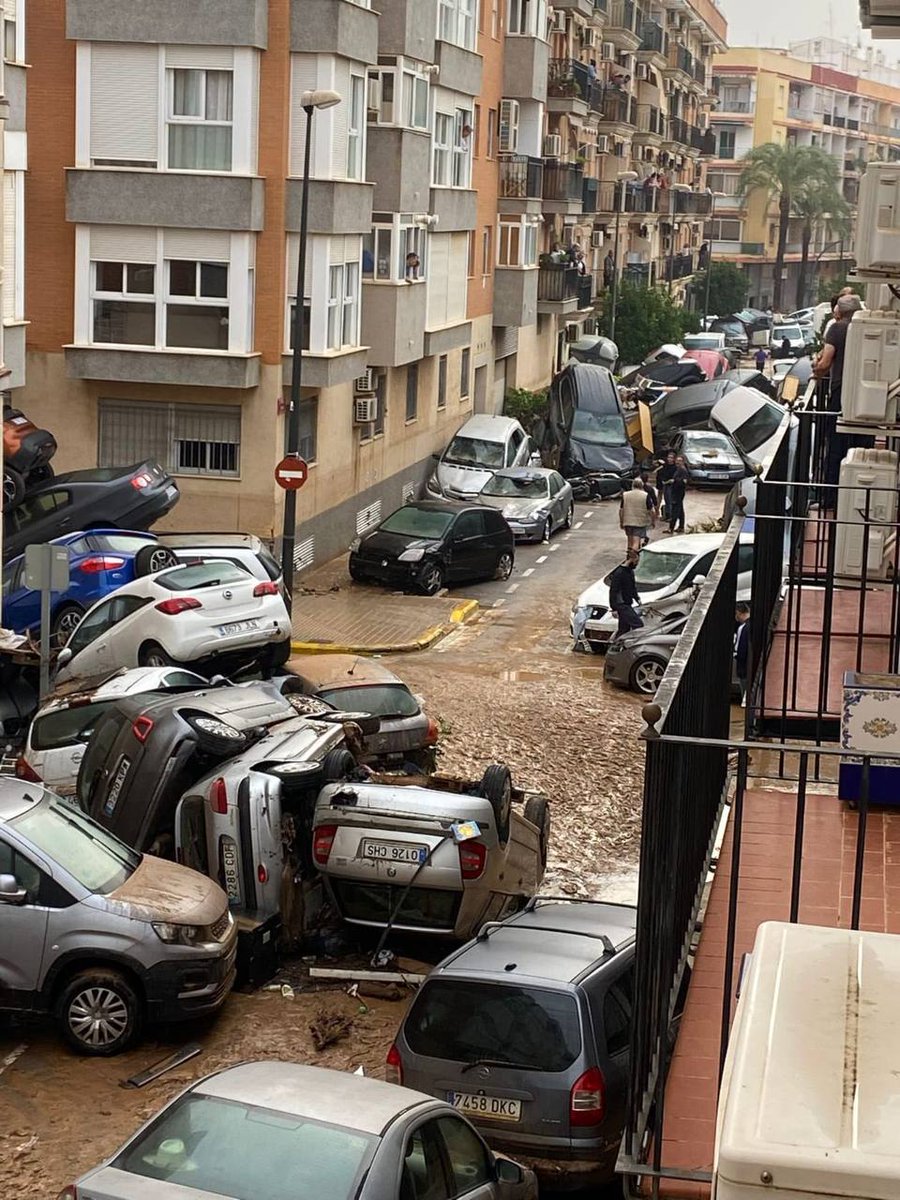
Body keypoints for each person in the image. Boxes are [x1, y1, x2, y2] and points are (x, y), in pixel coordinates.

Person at [814, 293, 867, 499]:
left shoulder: (837, 329)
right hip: (865, 397)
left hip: (840, 392)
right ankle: (857, 496)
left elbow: (826, 363)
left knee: (835, 445)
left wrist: (816, 370)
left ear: (839, 312)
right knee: (862, 447)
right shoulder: (865, 328)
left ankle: (829, 497)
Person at [608, 549, 643, 635]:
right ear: (632, 559)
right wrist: (614, 608)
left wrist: (637, 598)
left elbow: (632, 587)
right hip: (622, 605)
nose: (637, 564)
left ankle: (617, 646)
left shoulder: (629, 572)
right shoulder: (619, 573)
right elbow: (613, 591)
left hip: (626, 603)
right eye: (636, 561)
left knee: (624, 629)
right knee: (638, 624)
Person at [620, 478, 653, 552]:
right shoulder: (645, 495)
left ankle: (629, 557)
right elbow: (651, 510)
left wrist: (621, 521)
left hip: (627, 521)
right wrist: (653, 521)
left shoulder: (625, 495)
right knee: (636, 541)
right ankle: (633, 557)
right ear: (642, 486)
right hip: (640, 522)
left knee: (630, 541)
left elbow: (621, 510)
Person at [667, 455, 689, 534]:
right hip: (676, 492)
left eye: (679, 461)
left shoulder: (683, 471)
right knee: (680, 510)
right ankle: (681, 527)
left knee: (675, 510)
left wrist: (674, 481)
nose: (677, 462)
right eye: (677, 460)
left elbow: (684, 482)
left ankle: (671, 528)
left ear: (683, 462)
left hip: (678, 493)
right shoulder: (678, 469)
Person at [734, 602, 750, 706]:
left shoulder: (742, 628)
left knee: (745, 694)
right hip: (752, 666)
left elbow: (740, 649)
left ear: (739, 613)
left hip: (743, 668)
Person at [657, 450, 677, 522]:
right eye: (669, 457)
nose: (669, 459)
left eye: (671, 458)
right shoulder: (665, 466)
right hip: (665, 484)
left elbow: (675, 477)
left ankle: (671, 516)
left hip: (671, 486)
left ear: (674, 459)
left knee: (670, 500)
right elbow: (662, 473)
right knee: (666, 500)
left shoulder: (675, 467)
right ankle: (667, 515)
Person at [640, 472, 659, 546]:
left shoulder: (638, 488)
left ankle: (642, 536)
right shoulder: (650, 488)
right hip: (648, 507)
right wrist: (656, 506)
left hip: (640, 507)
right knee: (647, 523)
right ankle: (645, 536)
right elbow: (654, 499)